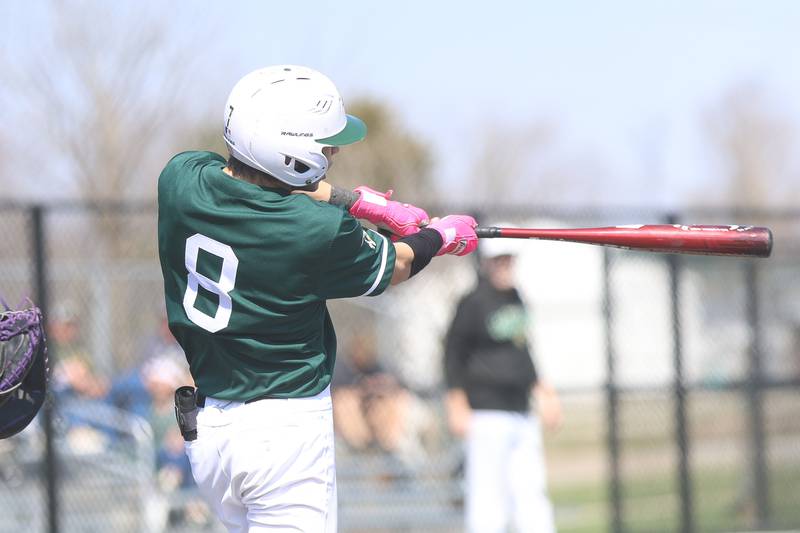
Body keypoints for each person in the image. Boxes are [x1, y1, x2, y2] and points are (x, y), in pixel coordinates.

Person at [157, 64, 479, 532]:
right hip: (282, 436)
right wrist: (439, 237)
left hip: (210, 436)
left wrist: (354, 201)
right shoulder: (314, 230)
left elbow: (258, 178)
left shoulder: (180, 179)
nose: (333, 152)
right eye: (324, 145)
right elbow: (397, 263)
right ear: (290, 150)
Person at [444, 233, 562, 533]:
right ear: (487, 263)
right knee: (487, 496)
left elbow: (523, 349)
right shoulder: (472, 302)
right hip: (486, 411)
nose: (506, 266)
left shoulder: (516, 297)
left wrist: (543, 391)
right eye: (500, 260)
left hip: (521, 408)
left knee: (530, 490)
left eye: (510, 260)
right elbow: (453, 353)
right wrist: (456, 402)